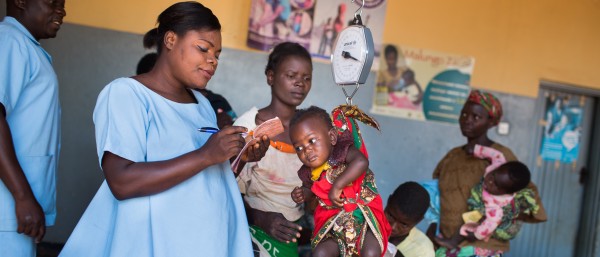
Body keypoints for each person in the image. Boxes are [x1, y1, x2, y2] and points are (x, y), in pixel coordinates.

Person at [59, 2, 268, 257]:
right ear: (170, 40)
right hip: (153, 243)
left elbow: (203, 179)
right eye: (203, 49)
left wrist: (238, 157)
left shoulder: (202, 104)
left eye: (218, 54)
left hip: (203, 242)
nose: (213, 60)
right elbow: (122, 182)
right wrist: (206, 155)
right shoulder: (128, 94)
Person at [429, 90, 547, 257]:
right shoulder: (453, 156)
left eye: (476, 117)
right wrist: (432, 233)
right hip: (447, 244)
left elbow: (528, 198)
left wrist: (495, 218)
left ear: (491, 122)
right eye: (464, 114)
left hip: (482, 247)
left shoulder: (501, 156)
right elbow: (437, 199)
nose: (467, 120)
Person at [0, 0, 66, 256]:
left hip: (14, 213)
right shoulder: (10, 42)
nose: (61, 10)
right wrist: (23, 197)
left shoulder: (24, 46)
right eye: (53, 2)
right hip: (8, 210)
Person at [234, 42, 312, 257]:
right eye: (291, 75)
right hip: (250, 229)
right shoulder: (249, 126)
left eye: (306, 78)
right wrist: (260, 218)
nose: (300, 83)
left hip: (290, 234)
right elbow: (226, 189)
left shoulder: (310, 131)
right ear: (270, 76)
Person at [290, 106, 390, 257]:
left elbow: (361, 162)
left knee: (371, 251)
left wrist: (338, 186)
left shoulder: (342, 151)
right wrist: (302, 193)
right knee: (321, 253)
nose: (306, 150)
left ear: (331, 137)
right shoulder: (308, 171)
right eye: (299, 148)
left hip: (362, 217)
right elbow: (311, 190)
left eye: (311, 141)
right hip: (333, 225)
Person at [434, 145, 539, 250]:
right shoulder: (499, 163)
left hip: (489, 215)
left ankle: (453, 241)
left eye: (496, 185)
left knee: (468, 224)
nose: (489, 182)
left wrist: (476, 235)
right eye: (493, 175)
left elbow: (490, 224)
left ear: (506, 192)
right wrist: (476, 150)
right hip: (482, 198)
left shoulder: (495, 206)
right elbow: (495, 154)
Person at [136, 52, 237, 128]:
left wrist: (231, 126)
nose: (213, 62)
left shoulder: (216, 101)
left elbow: (238, 127)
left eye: (217, 56)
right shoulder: (141, 103)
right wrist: (213, 127)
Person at [384, 182, 435, 257]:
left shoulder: (423, 252)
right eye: (391, 215)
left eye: (404, 224)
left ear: (419, 221)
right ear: (389, 201)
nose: (393, 227)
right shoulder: (367, 222)